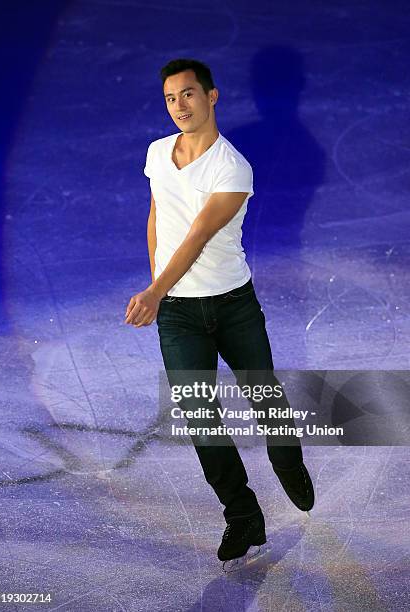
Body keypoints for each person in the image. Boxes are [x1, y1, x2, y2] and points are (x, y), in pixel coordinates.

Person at [125, 58, 314, 565]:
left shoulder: (232, 166)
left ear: (212, 96)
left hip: (233, 306)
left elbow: (198, 236)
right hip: (180, 315)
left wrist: (154, 290)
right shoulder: (157, 153)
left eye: (188, 94)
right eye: (169, 98)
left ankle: (287, 458)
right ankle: (243, 515)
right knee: (199, 417)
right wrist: (159, 290)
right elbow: (158, 217)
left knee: (263, 393)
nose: (178, 106)